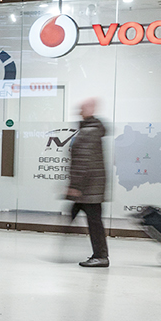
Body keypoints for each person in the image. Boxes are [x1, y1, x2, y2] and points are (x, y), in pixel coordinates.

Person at [66, 97, 109, 268]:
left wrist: (75, 186)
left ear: (91, 111)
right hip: (91, 186)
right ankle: (98, 254)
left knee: (94, 222)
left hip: (88, 188)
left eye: (82, 109)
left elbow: (82, 162)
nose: (79, 112)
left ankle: (101, 256)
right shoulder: (91, 130)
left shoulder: (89, 132)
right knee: (85, 218)